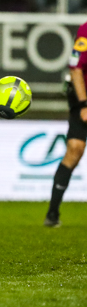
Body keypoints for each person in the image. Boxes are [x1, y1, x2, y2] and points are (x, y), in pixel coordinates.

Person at [44, 26, 87, 227]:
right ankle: (52, 213)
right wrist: (84, 104)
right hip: (82, 97)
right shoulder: (85, 31)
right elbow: (75, 68)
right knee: (75, 149)